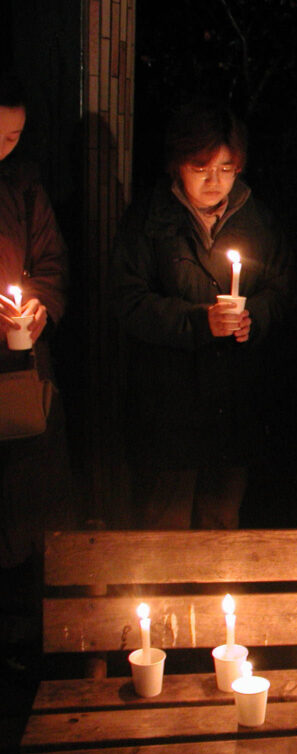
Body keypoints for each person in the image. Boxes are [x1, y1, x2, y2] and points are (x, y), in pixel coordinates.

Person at [112, 100, 291, 529]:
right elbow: (128, 300)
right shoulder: (149, 220)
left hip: (234, 404)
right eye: (201, 168)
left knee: (221, 527)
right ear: (178, 164)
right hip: (168, 407)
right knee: (163, 529)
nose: (216, 181)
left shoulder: (256, 219)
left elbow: (280, 288)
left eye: (227, 169)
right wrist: (198, 322)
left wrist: (256, 318)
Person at [0, 70, 72, 648]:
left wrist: (41, 306)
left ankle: (24, 638)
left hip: (20, 375)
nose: (3, 148)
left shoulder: (23, 188)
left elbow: (49, 265)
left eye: (13, 137)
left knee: (26, 503)